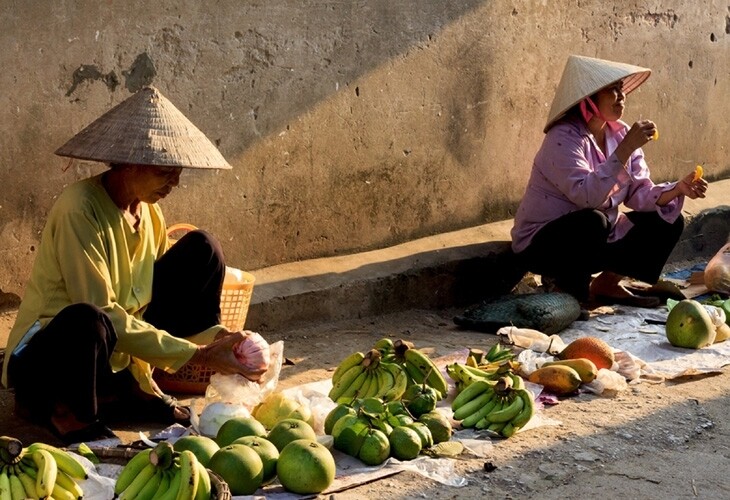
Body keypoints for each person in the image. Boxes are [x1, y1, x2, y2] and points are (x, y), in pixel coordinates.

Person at [1, 87, 266, 444]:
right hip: (52, 356)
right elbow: (107, 315)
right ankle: (69, 415)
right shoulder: (78, 207)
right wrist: (197, 356)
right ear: (129, 163)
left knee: (203, 249)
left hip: (114, 354)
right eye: (163, 172)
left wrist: (224, 341)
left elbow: (149, 304)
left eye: (178, 173)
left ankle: (123, 391)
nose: (174, 183)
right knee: (89, 319)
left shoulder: (149, 212)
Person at [511, 55, 708, 306]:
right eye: (612, 90)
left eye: (621, 89)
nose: (621, 96)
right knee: (593, 220)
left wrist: (677, 189)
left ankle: (608, 284)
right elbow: (588, 198)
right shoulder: (562, 138)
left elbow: (638, 193)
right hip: (545, 244)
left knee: (667, 220)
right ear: (589, 99)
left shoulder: (622, 134)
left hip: (596, 236)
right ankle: (570, 292)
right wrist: (625, 150)